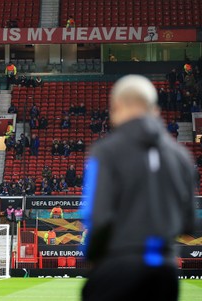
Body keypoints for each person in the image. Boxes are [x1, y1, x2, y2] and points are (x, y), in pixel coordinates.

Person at [81, 75, 196, 301]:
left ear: (117, 106)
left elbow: (98, 216)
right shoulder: (182, 156)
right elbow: (188, 222)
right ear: (154, 108)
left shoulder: (105, 152)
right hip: (164, 270)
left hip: (117, 267)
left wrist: (92, 256)